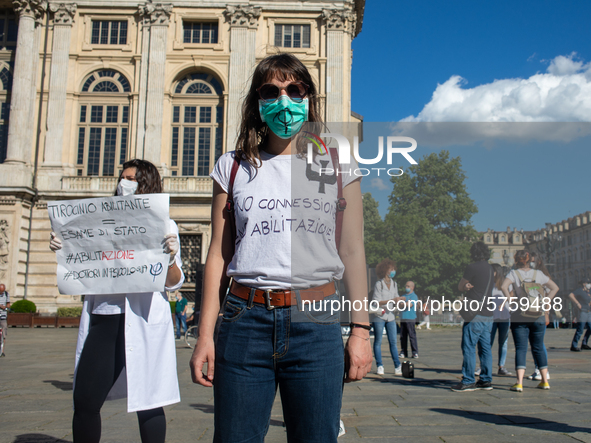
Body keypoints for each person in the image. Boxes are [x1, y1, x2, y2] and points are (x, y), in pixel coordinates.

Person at [188, 53, 372, 442]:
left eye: (294, 89)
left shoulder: (337, 163)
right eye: (271, 90)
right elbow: (218, 256)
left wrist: (361, 330)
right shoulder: (232, 167)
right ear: (257, 102)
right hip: (243, 320)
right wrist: (205, 334)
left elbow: (353, 251)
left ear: (309, 97)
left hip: (316, 318)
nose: (283, 99)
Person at [49, 159, 184, 443]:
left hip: (143, 318)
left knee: (149, 402)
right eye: (123, 177)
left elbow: (173, 281)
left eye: (132, 178)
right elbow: (83, 265)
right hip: (105, 316)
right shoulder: (98, 222)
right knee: (85, 400)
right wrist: (65, 249)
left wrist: (170, 257)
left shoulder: (164, 223)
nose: (125, 183)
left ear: (146, 183)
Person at [501, 250, 559, 392]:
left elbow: (503, 287)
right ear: (529, 260)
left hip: (520, 314)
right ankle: (545, 381)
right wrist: (546, 302)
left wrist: (511, 301)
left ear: (516, 260)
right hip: (537, 314)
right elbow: (555, 288)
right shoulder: (538, 274)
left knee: (521, 348)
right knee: (538, 347)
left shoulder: (513, 274)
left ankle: (519, 382)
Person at [452, 241, 494, 392]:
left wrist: (465, 287)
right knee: (485, 348)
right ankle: (486, 380)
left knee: (469, 347)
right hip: (488, 314)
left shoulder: (472, 267)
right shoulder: (490, 268)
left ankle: (469, 380)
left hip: (475, 313)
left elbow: (460, 286)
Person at [371, 259, 405, 375]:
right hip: (380, 315)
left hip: (391, 316)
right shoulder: (379, 284)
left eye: (393, 269)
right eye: (391, 269)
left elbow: (396, 298)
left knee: (393, 342)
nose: (393, 271)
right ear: (385, 270)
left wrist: (400, 302)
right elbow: (376, 302)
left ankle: (397, 365)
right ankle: (380, 365)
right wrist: (392, 300)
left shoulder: (394, 284)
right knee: (378, 341)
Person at [568, 277, 591, 352]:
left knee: (590, 328)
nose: (589, 285)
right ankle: (574, 345)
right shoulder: (579, 290)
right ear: (583, 284)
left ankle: (584, 343)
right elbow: (570, 295)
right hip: (583, 312)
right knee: (580, 329)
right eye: (587, 283)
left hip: (589, 312)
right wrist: (577, 303)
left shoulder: (589, 292)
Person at [399, 281, 419, 359]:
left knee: (412, 335)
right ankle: (403, 351)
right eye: (406, 286)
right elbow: (399, 305)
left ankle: (414, 352)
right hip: (403, 317)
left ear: (412, 287)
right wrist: (405, 303)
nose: (406, 287)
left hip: (410, 318)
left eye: (408, 286)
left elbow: (410, 305)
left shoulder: (414, 296)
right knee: (403, 336)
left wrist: (404, 303)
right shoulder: (403, 296)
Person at [0, 283, 10, 357]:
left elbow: (8, 304)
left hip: (3, 316)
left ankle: (2, 351)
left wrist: (7, 307)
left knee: (4, 334)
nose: (1, 293)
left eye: (2, 291)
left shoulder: (6, 294)